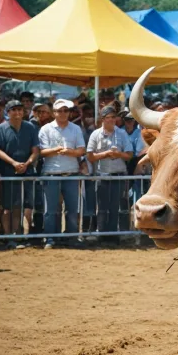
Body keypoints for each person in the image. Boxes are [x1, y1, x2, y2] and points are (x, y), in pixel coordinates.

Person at [38, 99, 86, 248]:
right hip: (51, 173)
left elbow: (81, 150)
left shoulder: (76, 129)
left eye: (66, 110)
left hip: (71, 173)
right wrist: (57, 150)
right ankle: (50, 238)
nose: (63, 113)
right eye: (60, 111)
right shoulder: (45, 129)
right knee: (50, 210)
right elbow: (42, 152)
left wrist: (70, 152)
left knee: (72, 209)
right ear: (54, 113)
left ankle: (71, 237)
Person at [0, 100, 40, 248]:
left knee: (21, 206)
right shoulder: (0, 129)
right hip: (7, 172)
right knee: (7, 207)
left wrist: (27, 163)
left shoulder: (30, 127)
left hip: (27, 171)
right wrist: (13, 163)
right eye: (14, 110)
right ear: (8, 112)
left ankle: (17, 235)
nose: (17, 112)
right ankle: (8, 237)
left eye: (20, 109)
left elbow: (36, 149)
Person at [87, 105, 133, 242]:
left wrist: (119, 154)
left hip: (118, 175)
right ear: (102, 119)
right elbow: (89, 156)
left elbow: (130, 154)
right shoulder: (95, 134)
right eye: (109, 117)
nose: (112, 120)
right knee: (102, 208)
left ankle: (113, 235)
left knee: (115, 207)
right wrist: (105, 154)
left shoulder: (122, 133)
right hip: (102, 175)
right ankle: (102, 235)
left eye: (114, 117)